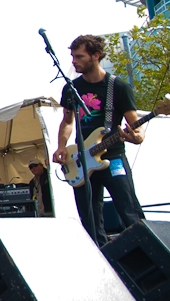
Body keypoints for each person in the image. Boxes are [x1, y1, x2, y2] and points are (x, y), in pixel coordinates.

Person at [52, 34, 144, 245]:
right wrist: (61, 146)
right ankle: (104, 262)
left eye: (79, 56)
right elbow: (67, 122)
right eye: (73, 56)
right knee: (90, 220)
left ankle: (145, 258)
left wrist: (136, 137)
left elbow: (136, 126)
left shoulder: (118, 87)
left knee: (129, 212)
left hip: (113, 157)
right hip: (83, 160)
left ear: (96, 55)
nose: (74, 61)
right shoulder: (71, 88)